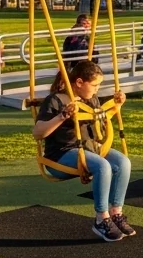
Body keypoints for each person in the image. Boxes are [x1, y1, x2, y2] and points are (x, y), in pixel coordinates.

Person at [34, 60, 133, 242]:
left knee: (123, 162)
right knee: (103, 166)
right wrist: (63, 116)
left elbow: (100, 120)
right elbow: (38, 133)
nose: (97, 89)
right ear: (79, 82)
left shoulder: (91, 99)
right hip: (62, 155)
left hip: (89, 150)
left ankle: (116, 213)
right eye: (95, 85)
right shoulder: (56, 100)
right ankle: (101, 219)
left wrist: (116, 105)